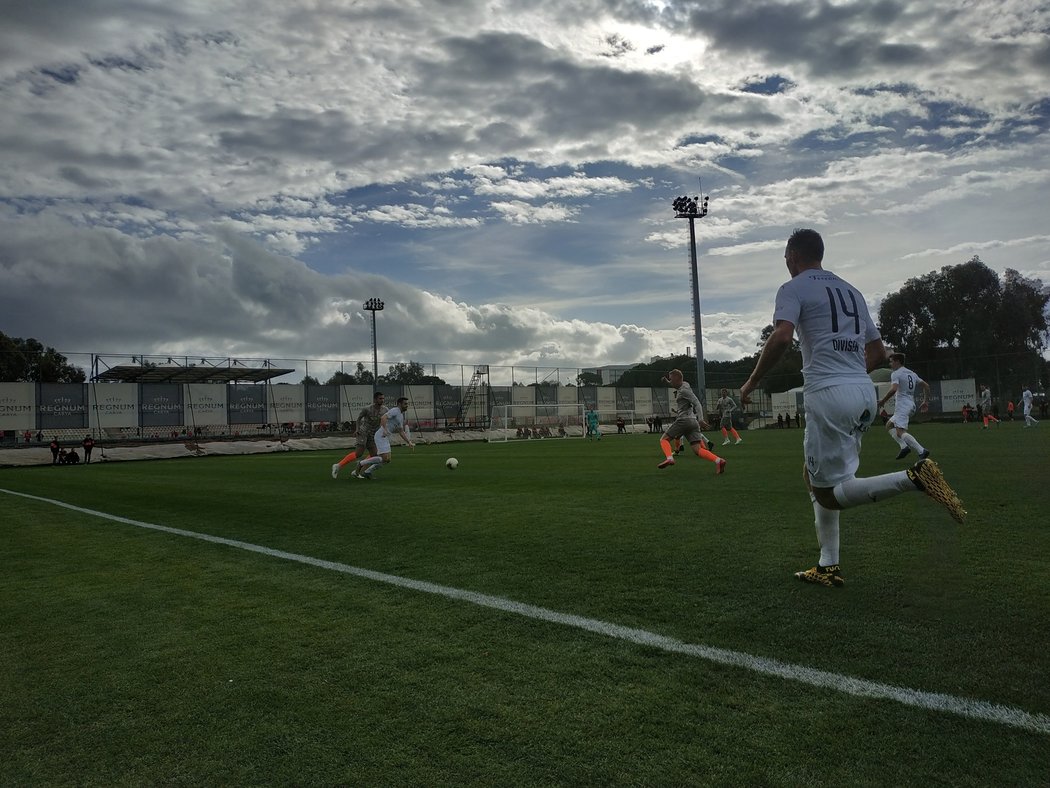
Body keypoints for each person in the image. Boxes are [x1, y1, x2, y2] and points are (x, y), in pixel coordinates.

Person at [740, 228, 965, 588]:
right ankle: (828, 565)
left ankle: (914, 478)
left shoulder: (793, 288)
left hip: (828, 394)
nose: (785, 263)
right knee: (812, 474)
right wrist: (849, 377)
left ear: (794, 256)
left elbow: (782, 336)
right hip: (862, 392)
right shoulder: (852, 291)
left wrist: (752, 381)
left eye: (785, 257)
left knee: (830, 491)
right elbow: (878, 353)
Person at [655, 369, 726, 474]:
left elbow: (697, 403)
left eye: (671, 379)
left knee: (664, 440)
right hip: (692, 422)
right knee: (697, 449)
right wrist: (666, 381)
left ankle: (670, 458)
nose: (671, 381)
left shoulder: (683, 391)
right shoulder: (685, 384)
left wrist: (701, 419)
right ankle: (718, 460)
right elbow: (674, 384)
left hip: (684, 420)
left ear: (677, 379)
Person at [876, 353, 932, 460]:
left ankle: (922, 450)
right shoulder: (911, 373)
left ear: (897, 361)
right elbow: (926, 386)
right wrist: (925, 401)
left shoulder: (896, 373)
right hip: (911, 405)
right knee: (889, 425)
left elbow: (893, 389)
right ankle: (904, 447)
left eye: (891, 361)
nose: (890, 364)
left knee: (900, 432)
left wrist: (883, 401)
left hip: (902, 406)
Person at [355, 396, 414, 479]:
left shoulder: (400, 415)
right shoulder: (395, 410)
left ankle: (367, 472)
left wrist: (409, 442)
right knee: (384, 458)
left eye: (407, 404)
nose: (407, 405)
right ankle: (361, 463)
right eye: (405, 404)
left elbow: (401, 431)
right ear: (399, 404)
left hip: (385, 437)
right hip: (381, 436)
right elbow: (383, 417)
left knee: (387, 460)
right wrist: (385, 430)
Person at [331, 391, 386, 479]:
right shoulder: (367, 409)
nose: (382, 400)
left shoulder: (385, 409)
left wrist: (383, 431)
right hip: (363, 432)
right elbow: (359, 419)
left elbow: (385, 420)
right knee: (358, 453)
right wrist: (357, 429)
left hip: (373, 434)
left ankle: (357, 472)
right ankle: (338, 465)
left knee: (374, 456)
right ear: (375, 399)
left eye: (383, 398)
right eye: (380, 398)